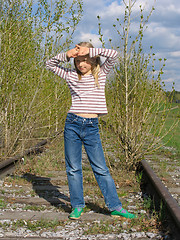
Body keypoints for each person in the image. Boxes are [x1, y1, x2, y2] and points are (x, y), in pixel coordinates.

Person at [46, 42, 136, 220]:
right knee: (73, 168)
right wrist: (67, 54)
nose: (81, 64)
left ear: (94, 60)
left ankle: (115, 206)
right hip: (72, 123)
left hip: (91, 126)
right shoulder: (70, 75)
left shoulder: (101, 74)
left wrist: (90, 51)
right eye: (78, 60)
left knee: (101, 168)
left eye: (85, 60)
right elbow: (49, 64)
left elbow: (115, 54)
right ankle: (78, 206)